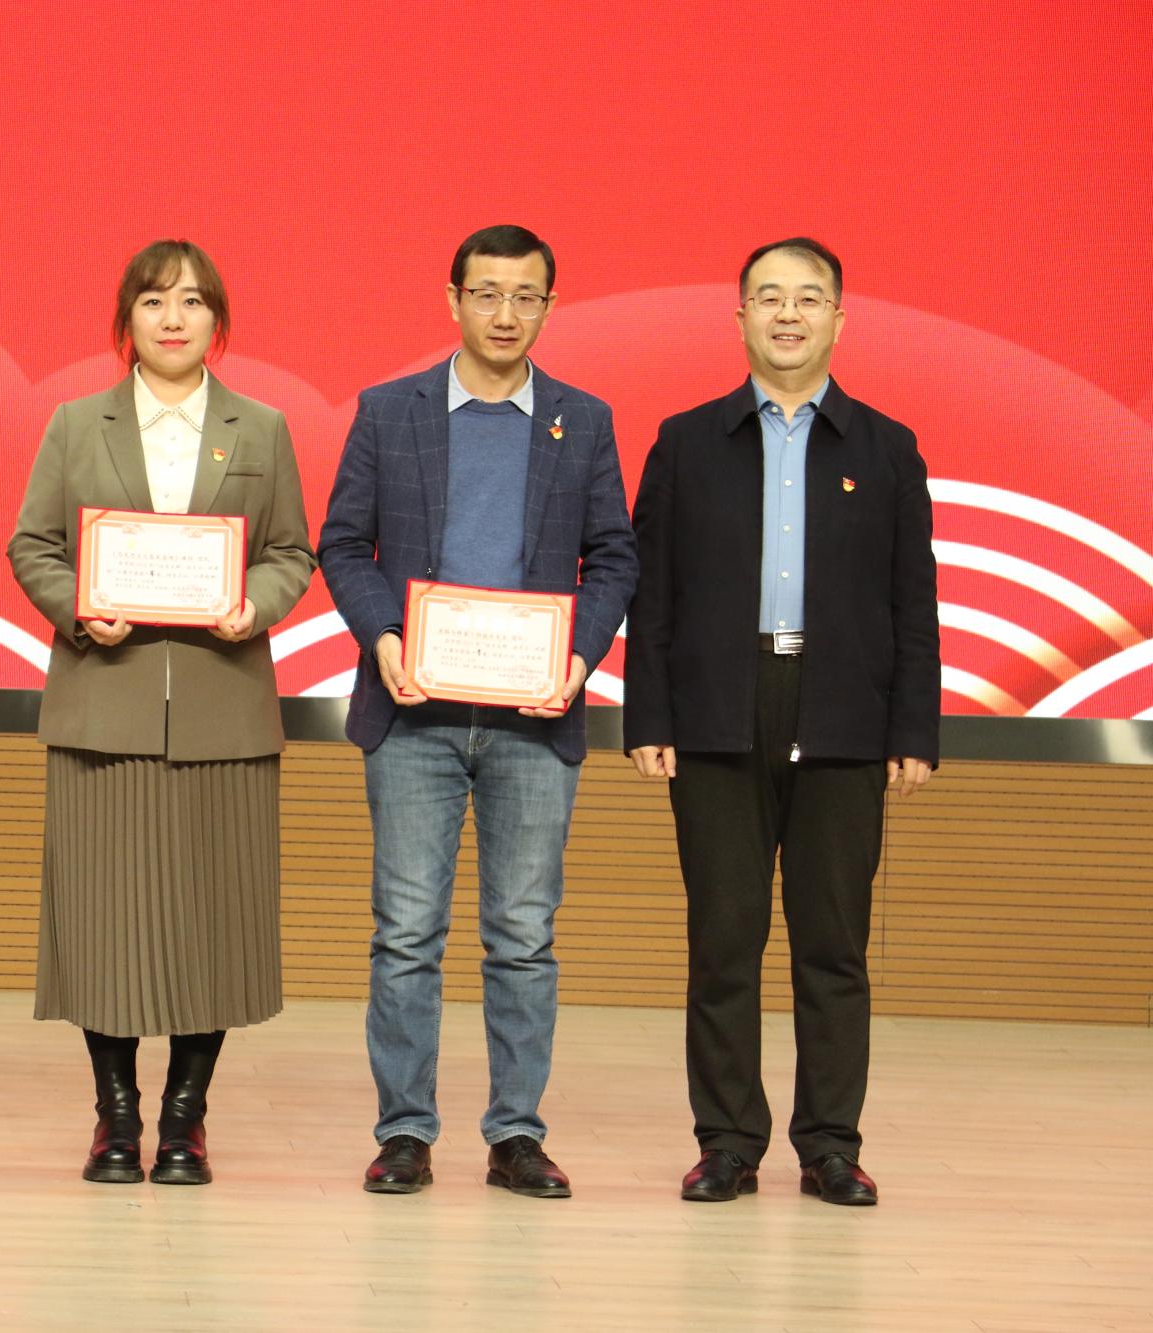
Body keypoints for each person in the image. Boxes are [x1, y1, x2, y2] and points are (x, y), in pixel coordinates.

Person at [317, 225, 637, 1198]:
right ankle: (404, 1132)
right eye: (486, 293)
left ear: (548, 306)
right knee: (406, 933)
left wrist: (578, 657)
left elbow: (613, 556)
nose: (505, 313)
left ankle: (516, 1135)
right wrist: (382, 636)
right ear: (452, 299)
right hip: (412, 714)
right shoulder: (389, 410)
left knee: (523, 935)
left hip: (533, 718)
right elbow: (344, 543)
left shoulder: (582, 421)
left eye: (525, 296)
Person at [623, 237, 938, 1208]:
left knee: (832, 946)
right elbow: (653, 592)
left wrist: (913, 729)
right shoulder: (686, 442)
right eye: (768, 297)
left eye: (807, 298)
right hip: (718, 707)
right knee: (723, 939)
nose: (787, 314)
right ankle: (726, 1142)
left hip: (843, 709)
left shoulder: (886, 447)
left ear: (838, 317)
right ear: (740, 318)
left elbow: (912, 600)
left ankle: (829, 1146)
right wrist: (648, 713)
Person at [7, 239, 315, 1186]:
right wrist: (78, 607)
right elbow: (34, 545)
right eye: (152, 301)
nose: (172, 318)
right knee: (103, 922)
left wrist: (253, 604)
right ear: (126, 319)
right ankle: (116, 1116)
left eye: (191, 301)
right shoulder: (75, 423)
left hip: (225, 713)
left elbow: (291, 553)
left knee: (213, 923)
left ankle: (186, 1118)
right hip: (104, 707)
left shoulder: (262, 428)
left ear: (217, 319)